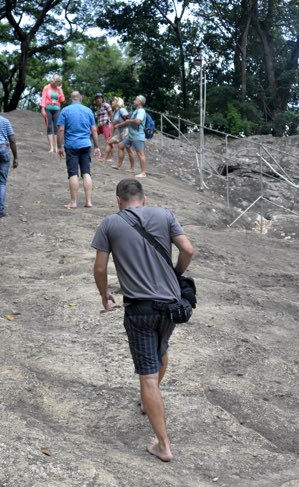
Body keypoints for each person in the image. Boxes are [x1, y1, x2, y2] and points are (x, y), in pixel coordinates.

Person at [91, 178, 195, 462]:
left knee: (147, 376)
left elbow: (100, 268)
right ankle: (148, 403)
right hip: (172, 306)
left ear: (118, 200)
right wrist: (175, 273)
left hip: (140, 310)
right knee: (161, 352)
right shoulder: (165, 215)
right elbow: (188, 249)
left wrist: (105, 295)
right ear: (143, 199)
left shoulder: (109, 224)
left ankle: (163, 445)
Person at [56, 91, 101, 209]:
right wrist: (96, 146)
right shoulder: (88, 111)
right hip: (86, 145)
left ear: (71, 99)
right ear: (80, 99)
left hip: (71, 146)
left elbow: (61, 130)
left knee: (73, 173)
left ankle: (74, 202)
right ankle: (89, 201)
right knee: (86, 172)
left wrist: (59, 146)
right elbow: (94, 131)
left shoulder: (65, 111)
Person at [115, 95, 148, 178]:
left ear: (140, 102)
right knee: (120, 145)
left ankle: (143, 173)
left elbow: (137, 121)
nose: (134, 101)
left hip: (138, 136)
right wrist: (119, 125)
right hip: (131, 136)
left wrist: (129, 120)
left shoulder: (141, 111)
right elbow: (129, 122)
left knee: (140, 153)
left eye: (135, 100)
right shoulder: (136, 111)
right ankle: (122, 166)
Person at [40, 74, 65, 153]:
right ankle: (51, 147)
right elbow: (43, 98)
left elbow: (62, 100)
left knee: (56, 128)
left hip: (57, 109)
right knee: (49, 127)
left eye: (58, 82)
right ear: (54, 81)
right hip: (48, 109)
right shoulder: (46, 87)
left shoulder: (58, 89)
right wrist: (43, 109)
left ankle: (57, 147)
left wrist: (60, 91)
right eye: (56, 82)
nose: (57, 84)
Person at [107, 97, 131, 170]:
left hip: (126, 131)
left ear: (118, 102)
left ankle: (130, 167)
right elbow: (114, 126)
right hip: (120, 132)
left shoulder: (122, 110)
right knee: (109, 142)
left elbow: (128, 120)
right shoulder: (115, 112)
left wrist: (119, 125)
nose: (112, 102)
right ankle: (105, 159)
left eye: (114, 101)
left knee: (127, 149)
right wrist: (111, 136)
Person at [94, 93, 113, 161]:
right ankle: (95, 151)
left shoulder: (106, 105)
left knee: (108, 140)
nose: (98, 99)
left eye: (99, 98)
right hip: (99, 125)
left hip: (106, 124)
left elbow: (111, 115)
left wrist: (111, 124)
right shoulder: (97, 107)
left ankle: (110, 157)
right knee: (92, 134)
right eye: (97, 98)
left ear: (102, 98)